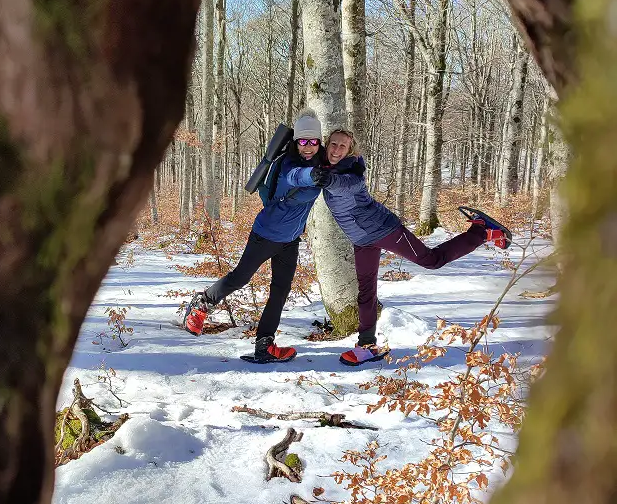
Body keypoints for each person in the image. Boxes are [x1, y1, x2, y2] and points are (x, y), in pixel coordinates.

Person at [314, 129, 511, 366]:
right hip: (361, 240)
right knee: (366, 291)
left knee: (431, 261)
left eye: (342, 146)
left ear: (350, 150)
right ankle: (367, 345)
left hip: (385, 229)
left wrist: (328, 179)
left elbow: (343, 185)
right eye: (333, 144)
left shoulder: (352, 172)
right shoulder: (325, 166)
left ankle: (482, 231)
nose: (336, 150)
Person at [182, 110, 327, 363]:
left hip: (290, 240)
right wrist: (313, 176)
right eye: (302, 141)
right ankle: (202, 303)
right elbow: (296, 176)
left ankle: (265, 344)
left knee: (280, 291)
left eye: (312, 141)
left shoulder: (323, 161)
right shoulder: (288, 163)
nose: (307, 147)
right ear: (295, 142)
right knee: (240, 278)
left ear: (319, 141)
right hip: (266, 234)